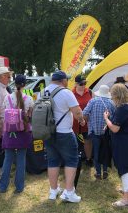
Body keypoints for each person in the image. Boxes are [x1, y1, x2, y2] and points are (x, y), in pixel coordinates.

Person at [44, 70, 85, 203]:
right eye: (66, 79)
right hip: (65, 133)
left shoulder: (43, 92)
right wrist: (82, 120)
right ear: (63, 81)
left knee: (52, 161)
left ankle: (53, 190)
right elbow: (77, 112)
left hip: (48, 133)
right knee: (72, 160)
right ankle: (68, 192)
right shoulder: (66, 92)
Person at [103, 83, 128, 207]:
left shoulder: (122, 109)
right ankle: (127, 191)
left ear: (118, 96)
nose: (112, 99)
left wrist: (106, 119)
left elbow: (115, 129)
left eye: (113, 96)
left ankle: (126, 199)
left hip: (123, 143)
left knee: (125, 170)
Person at [0, 75, 34, 193]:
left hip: (9, 132)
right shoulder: (28, 99)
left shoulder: (7, 98)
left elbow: (3, 114)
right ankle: (19, 187)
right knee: (21, 158)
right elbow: (30, 115)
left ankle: (3, 186)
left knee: (8, 158)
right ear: (24, 85)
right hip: (23, 132)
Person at [83, 85, 115, 180]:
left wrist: (89, 119)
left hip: (94, 130)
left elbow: (84, 113)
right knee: (105, 150)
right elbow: (114, 116)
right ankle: (105, 171)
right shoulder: (111, 102)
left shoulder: (93, 101)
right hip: (106, 131)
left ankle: (98, 173)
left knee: (96, 151)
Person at [72, 75, 93, 167]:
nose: (84, 85)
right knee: (73, 142)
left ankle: (88, 159)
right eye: (81, 83)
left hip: (87, 123)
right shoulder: (70, 93)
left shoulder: (90, 92)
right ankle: (73, 160)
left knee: (88, 141)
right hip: (73, 123)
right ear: (76, 84)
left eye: (85, 83)